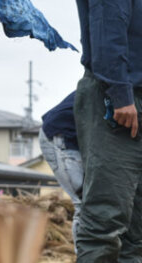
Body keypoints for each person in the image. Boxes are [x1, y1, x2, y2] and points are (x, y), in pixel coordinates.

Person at [73, 0, 142, 263]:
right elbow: (108, 29)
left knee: (134, 207)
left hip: (135, 94)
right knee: (108, 201)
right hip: (113, 94)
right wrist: (121, 93)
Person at [39, 92, 83, 241]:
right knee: (86, 205)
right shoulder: (117, 79)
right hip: (62, 135)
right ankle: (85, 262)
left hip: (80, 138)